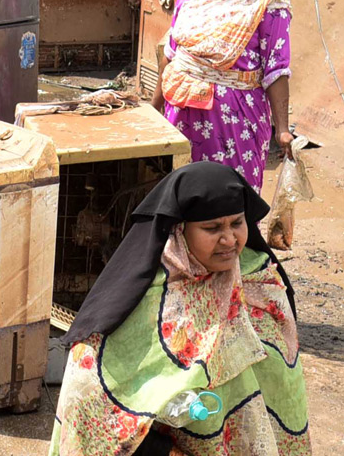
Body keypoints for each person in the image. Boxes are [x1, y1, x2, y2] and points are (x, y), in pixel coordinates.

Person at [50, 161, 310, 456]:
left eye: (237, 223)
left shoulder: (259, 282)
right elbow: (88, 385)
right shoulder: (149, 292)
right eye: (212, 228)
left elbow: (282, 380)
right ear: (179, 229)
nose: (229, 239)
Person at [152, 0, 293, 192]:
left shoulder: (267, 2)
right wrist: (154, 107)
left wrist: (283, 128)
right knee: (182, 191)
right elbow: (172, 54)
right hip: (181, 111)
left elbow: (277, 70)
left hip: (236, 118)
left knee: (233, 193)